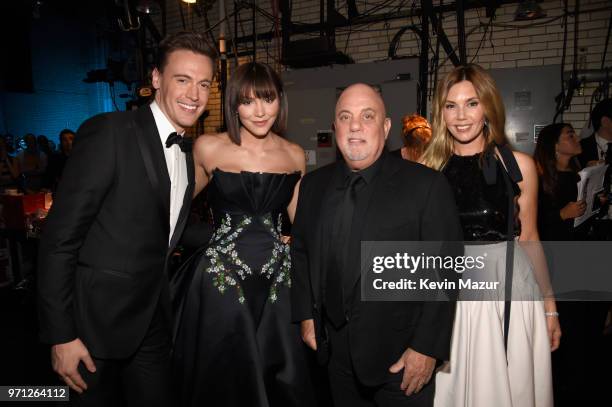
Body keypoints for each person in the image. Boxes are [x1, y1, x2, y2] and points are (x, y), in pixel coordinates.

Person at [37, 31, 216, 406]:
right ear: (155, 79)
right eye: (182, 80)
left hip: (153, 319)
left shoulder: (186, 152)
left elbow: (163, 230)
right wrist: (61, 335)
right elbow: (59, 239)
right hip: (93, 328)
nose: (194, 95)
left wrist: (244, 237)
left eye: (203, 84)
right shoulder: (110, 133)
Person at [291, 83, 463, 407]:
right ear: (335, 127)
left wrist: (426, 348)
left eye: (367, 116)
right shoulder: (313, 186)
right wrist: (304, 316)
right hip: (334, 357)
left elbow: (447, 271)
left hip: (401, 359)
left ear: (385, 127)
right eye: (345, 116)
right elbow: (300, 252)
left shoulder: (425, 186)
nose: (355, 125)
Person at [171, 61, 314, 406]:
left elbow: (304, 225)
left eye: (267, 99)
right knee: (224, 381)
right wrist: (203, 239)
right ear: (234, 105)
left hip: (277, 286)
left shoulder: (294, 155)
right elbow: (172, 209)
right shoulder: (208, 147)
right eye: (248, 102)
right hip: (221, 283)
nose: (260, 111)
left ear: (280, 100)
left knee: (278, 380)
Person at [420, 64, 560, 407]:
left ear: (488, 108)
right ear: (441, 113)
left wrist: (550, 305)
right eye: (451, 106)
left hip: (507, 287)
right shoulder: (427, 169)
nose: (461, 116)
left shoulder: (519, 166)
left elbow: (529, 238)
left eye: (472, 103)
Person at [535, 123, 610, 406]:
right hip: (561, 261)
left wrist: (596, 201)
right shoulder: (542, 178)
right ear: (554, 145)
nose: (576, 138)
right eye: (569, 135)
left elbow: (584, 219)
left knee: (591, 324)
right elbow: (534, 225)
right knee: (571, 327)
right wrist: (561, 215)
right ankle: (567, 387)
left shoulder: (580, 175)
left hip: (586, 256)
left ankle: (586, 384)